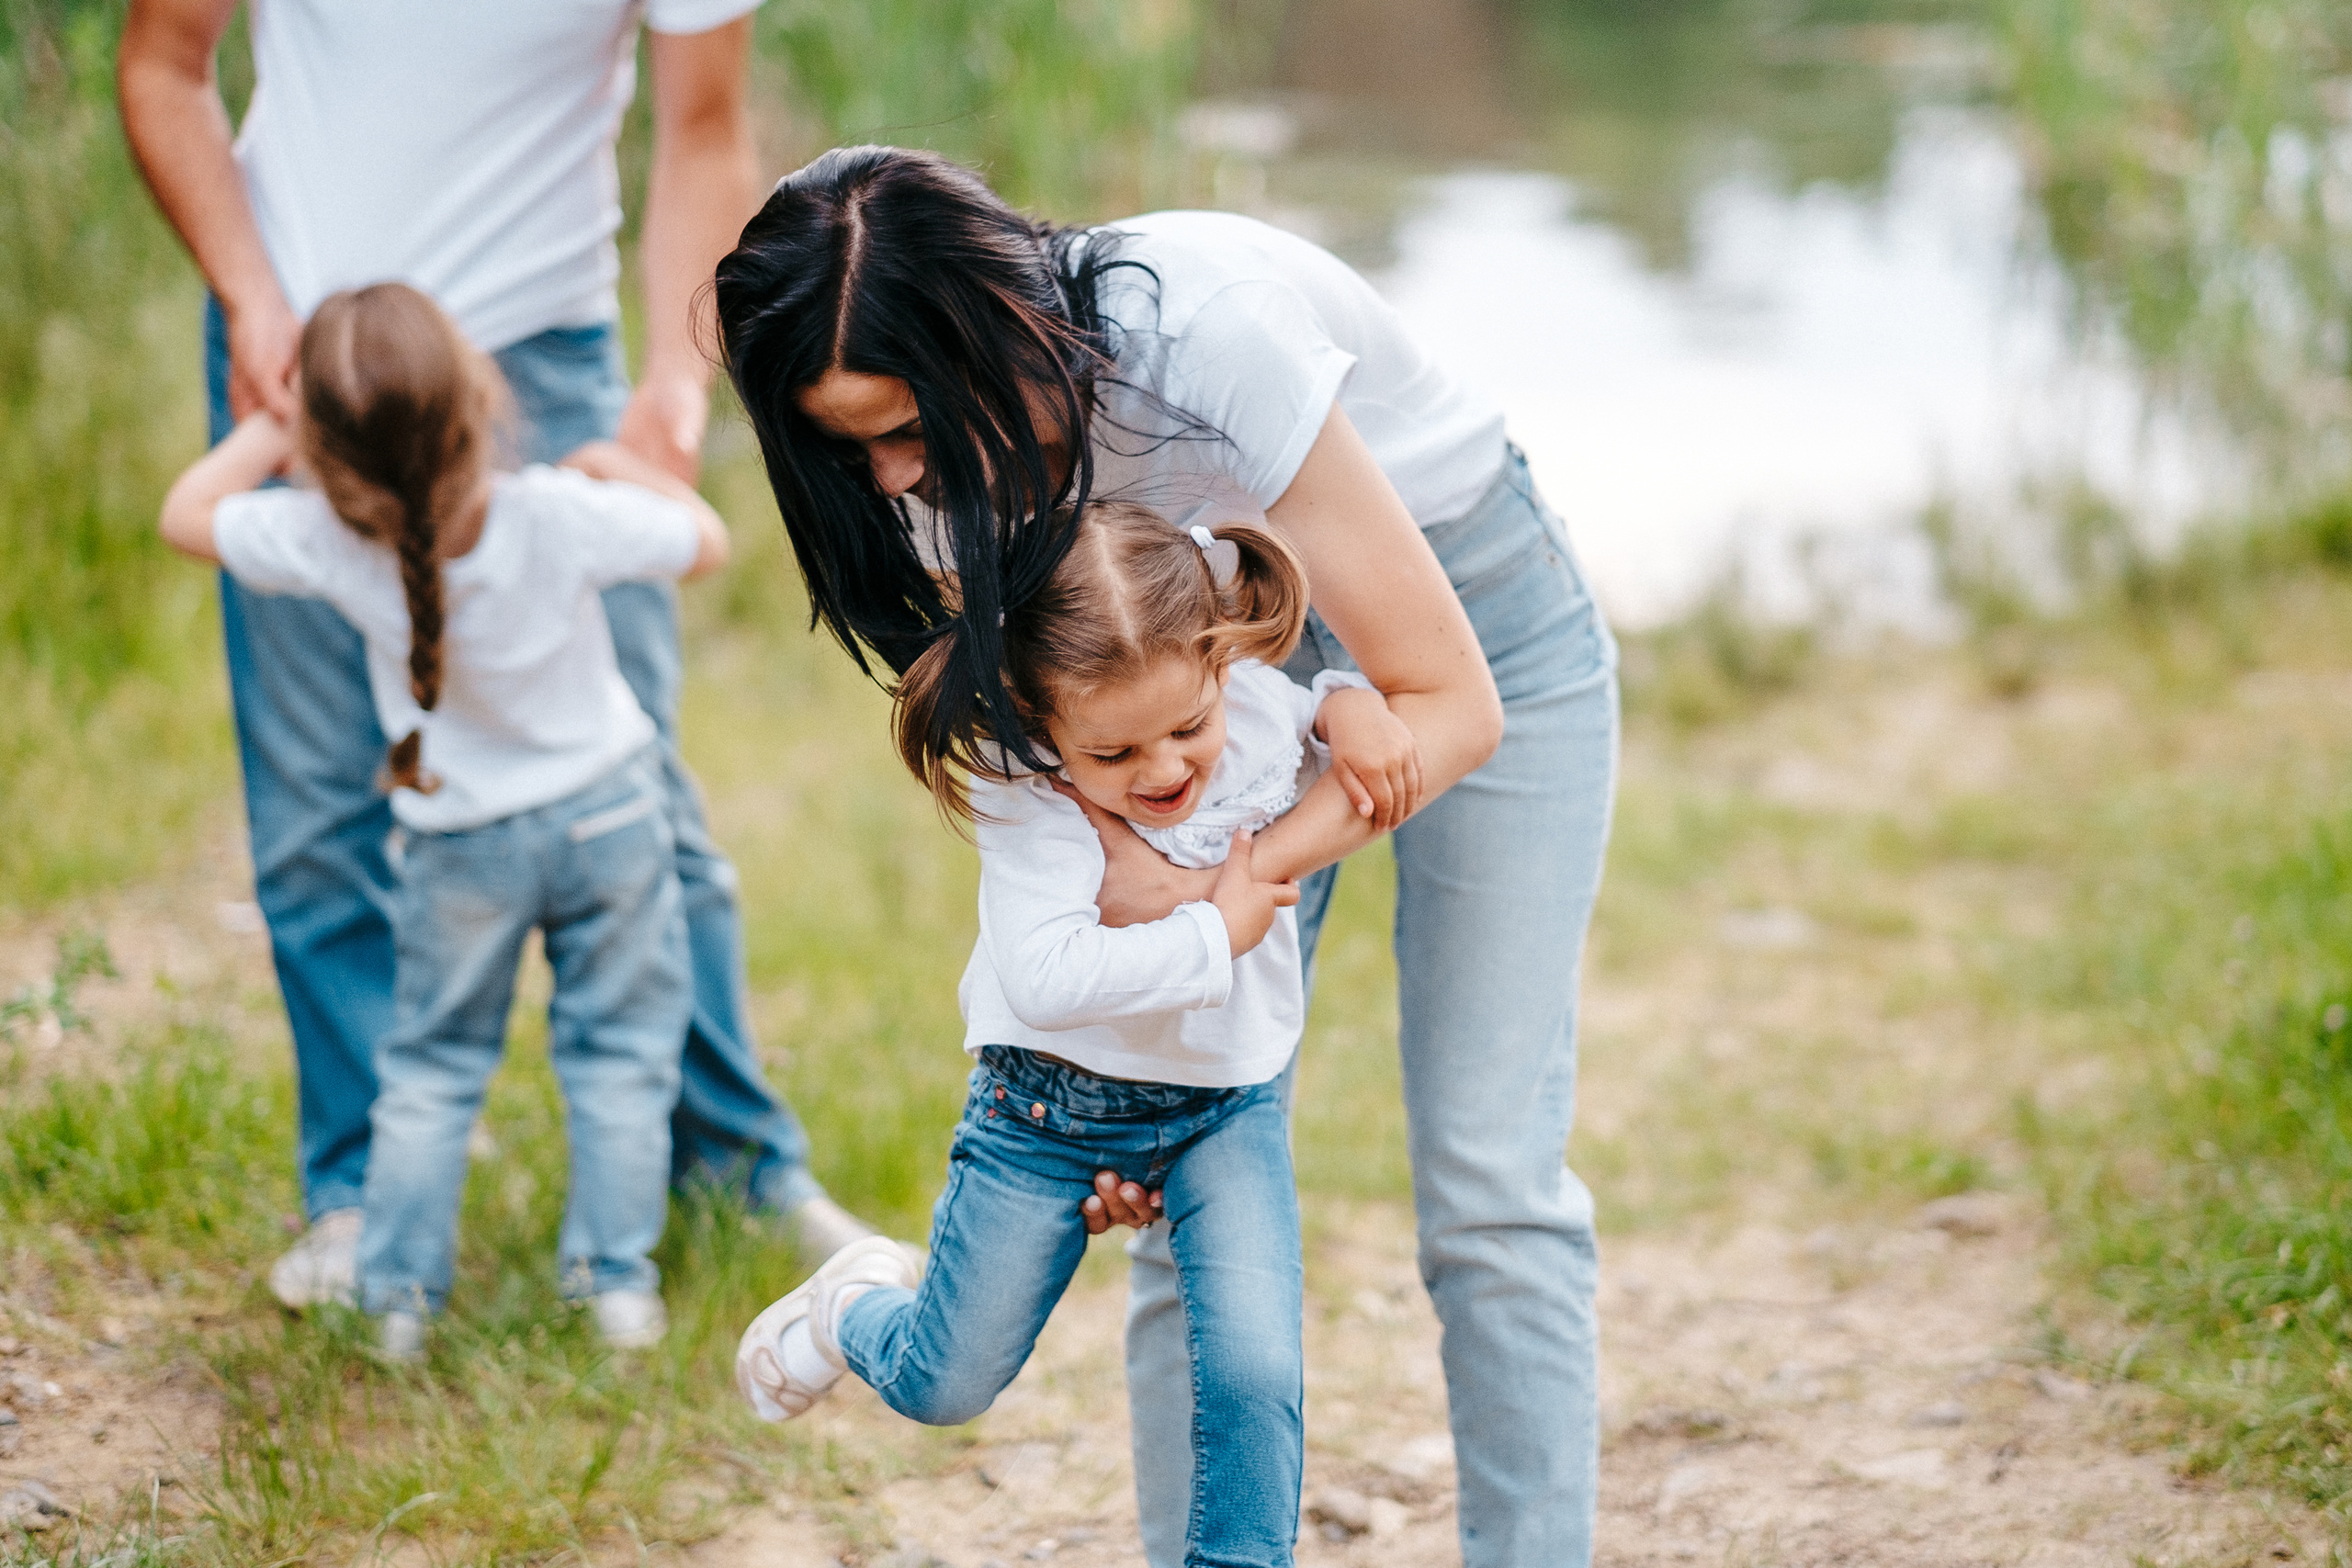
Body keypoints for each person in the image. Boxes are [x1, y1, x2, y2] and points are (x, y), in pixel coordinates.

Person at [714, 147, 1619, 1568]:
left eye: (903, 429)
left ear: (995, 341)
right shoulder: (951, 490)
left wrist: (1231, 883)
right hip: (1183, 687)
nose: (888, 479)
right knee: (1180, 1206)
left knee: (1489, 1183)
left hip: (1474, 640)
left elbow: (1452, 705)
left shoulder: (1209, 340)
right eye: (849, 449)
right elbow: (1068, 801)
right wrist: (1124, 1103)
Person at [116, 0, 872, 1306]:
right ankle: (361, 1198)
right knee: (315, 802)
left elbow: (705, 132)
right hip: (314, 349)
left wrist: (678, 383)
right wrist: (249, 298)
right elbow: (163, 65)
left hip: (541, 352)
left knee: (631, 783)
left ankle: (738, 1164)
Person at [735, 502, 1419, 1568]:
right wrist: (1214, 931)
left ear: (1216, 667)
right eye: (1115, 750)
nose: (1162, 770)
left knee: (1254, 1373)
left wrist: (1351, 706)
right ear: (1038, 718)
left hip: (1223, 1112)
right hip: (1044, 1114)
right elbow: (1046, 980)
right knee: (946, 1382)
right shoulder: (1025, 791)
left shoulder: (1237, 701)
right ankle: (853, 1307)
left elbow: (1303, 702)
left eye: (1187, 728)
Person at [158, 283, 729, 1356]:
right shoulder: (558, 512)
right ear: (481, 399)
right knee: (615, 1057)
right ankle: (614, 1288)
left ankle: (399, 1303)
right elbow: (706, 543)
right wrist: (616, 465)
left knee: (429, 1071)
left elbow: (183, 515)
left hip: (458, 846)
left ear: (328, 460)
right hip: (608, 820)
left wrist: (270, 429)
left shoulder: (329, 541)